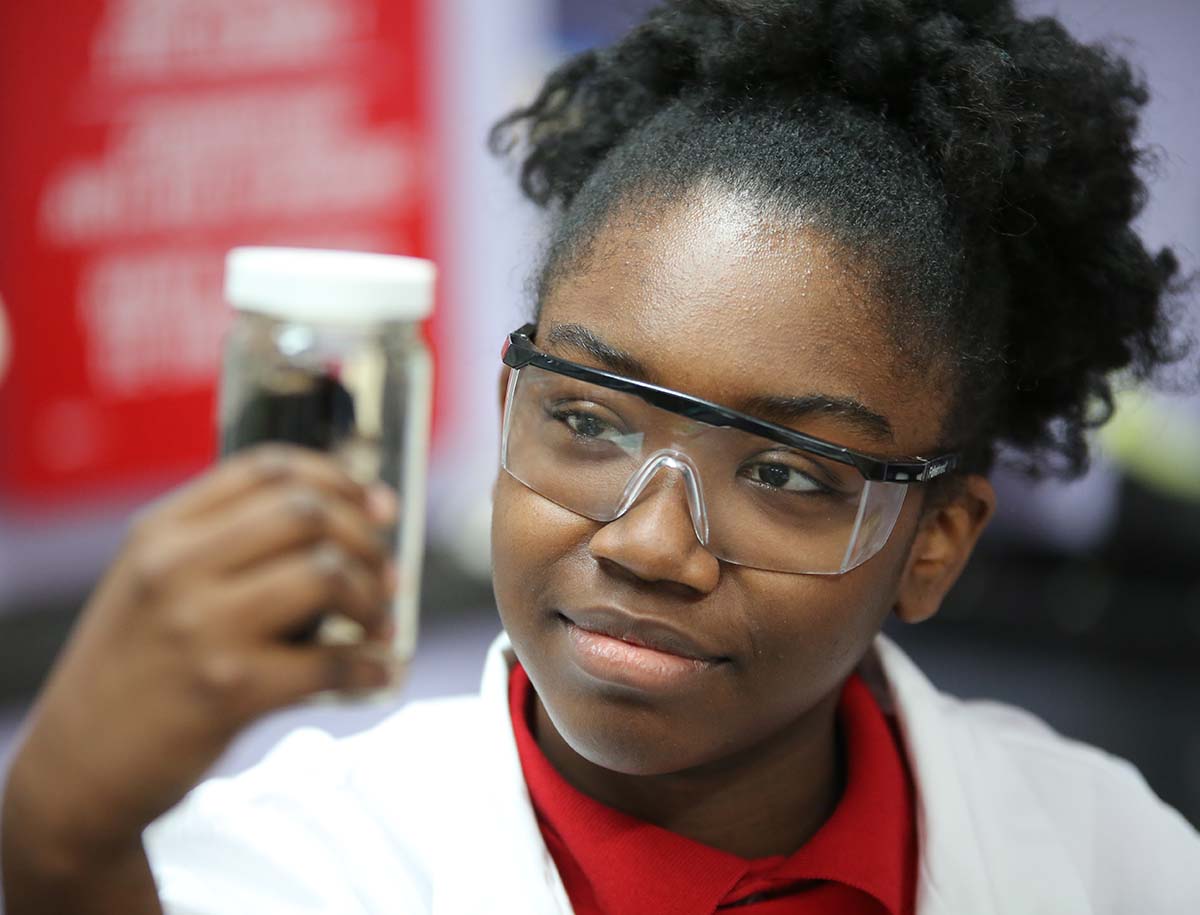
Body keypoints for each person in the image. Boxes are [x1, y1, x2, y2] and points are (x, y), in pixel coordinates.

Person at [4, 1, 1199, 912]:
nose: (647, 543)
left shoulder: (1105, 857)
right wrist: (54, 843)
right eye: (587, 420)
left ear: (934, 542)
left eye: (785, 473)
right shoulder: (289, 865)